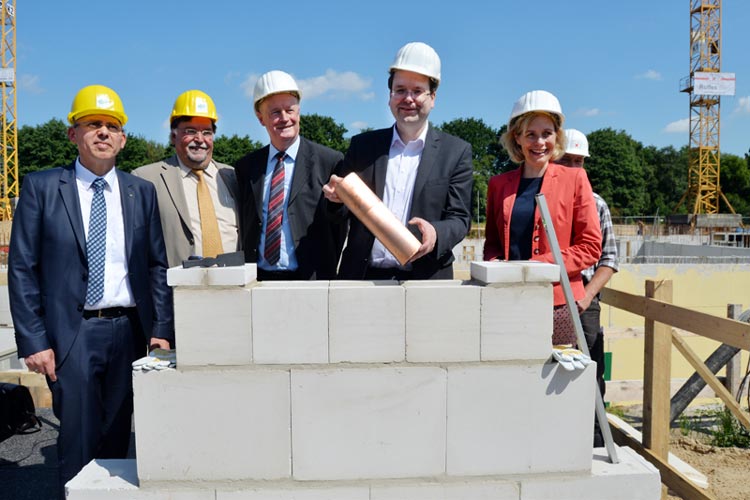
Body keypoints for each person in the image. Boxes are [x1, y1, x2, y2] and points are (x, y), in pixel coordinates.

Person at [8, 85, 174, 494]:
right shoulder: (42, 187)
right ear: (73, 134)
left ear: (123, 138)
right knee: (78, 440)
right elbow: (23, 268)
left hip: (130, 332)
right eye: (92, 124)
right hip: (72, 333)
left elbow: (156, 265)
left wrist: (161, 329)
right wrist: (33, 340)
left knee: (119, 442)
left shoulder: (140, 192)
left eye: (111, 126)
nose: (102, 132)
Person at [323, 42, 473, 280]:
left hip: (425, 280)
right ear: (390, 95)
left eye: (417, 91)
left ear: (433, 97)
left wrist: (435, 233)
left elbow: (460, 219)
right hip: (363, 278)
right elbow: (339, 215)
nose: (408, 99)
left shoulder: (455, 152)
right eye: (400, 90)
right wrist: (335, 199)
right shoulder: (363, 147)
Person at [483, 90, 601, 344]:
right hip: (509, 296)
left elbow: (591, 247)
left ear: (557, 136)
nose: (539, 143)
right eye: (530, 134)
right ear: (517, 138)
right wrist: (497, 268)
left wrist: (537, 266)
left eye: (546, 134)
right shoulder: (498, 184)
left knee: (553, 377)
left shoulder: (575, 179)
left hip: (558, 302)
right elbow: (492, 242)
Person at [235, 70, 344, 280]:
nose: (284, 118)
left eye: (289, 110)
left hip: (312, 280)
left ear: (299, 112)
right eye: (275, 112)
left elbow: (340, 224)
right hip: (259, 281)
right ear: (260, 118)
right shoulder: (246, 168)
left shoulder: (330, 162)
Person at [557, 128, 619, 446]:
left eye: (578, 160)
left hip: (584, 296)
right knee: (545, 366)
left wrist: (587, 295)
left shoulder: (596, 205)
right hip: (546, 295)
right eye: (566, 159)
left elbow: (608, 260)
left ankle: (594, 438)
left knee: (590, 369)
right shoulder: (538, 200)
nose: (572, 166)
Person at [133, 90, 239, 267]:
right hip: (178, 290)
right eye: (190, 131)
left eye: (207, 132)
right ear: (174, 136)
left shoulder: (233, 176)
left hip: (234, 288)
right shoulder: (146, 179)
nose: (199, 139)